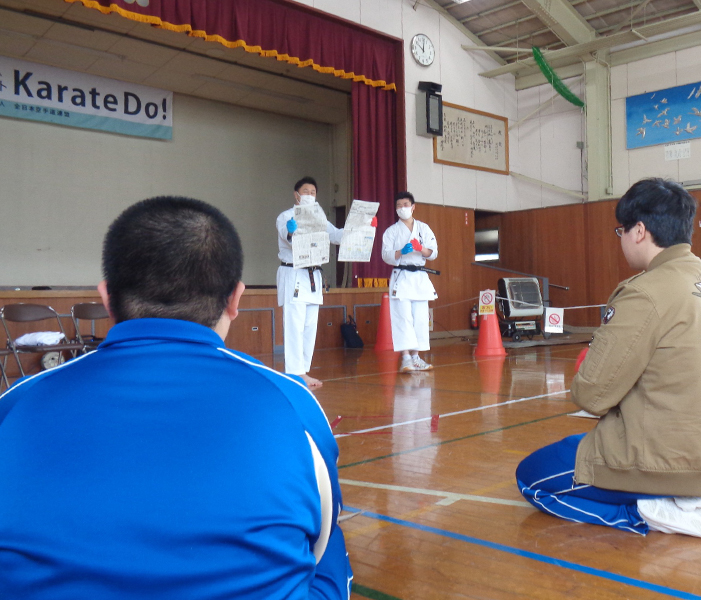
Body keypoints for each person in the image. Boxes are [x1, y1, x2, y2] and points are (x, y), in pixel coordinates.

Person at [0, 197, 352, 599]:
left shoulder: (16, 404)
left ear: (106, 297)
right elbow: (319, 536)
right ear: (235, 299)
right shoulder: (293, 401)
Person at [516, 178, 701, 540]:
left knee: (531, 478)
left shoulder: (645, 292)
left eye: (621, 230)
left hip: (665, 461)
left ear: (639, 231)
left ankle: (644, 510)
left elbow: (592, 396)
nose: (621, 239)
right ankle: (678, 499)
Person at [276, 177, 343, 388]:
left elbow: (337, 236)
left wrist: (363, 229)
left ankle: (304, 370)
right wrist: (291, 230)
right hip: (294, 272)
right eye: (306, 191)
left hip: (313, 276)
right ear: (296, 195)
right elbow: (287, 238)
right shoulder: (285, 216)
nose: (310, 195)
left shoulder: (320, 217)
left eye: (313, 192)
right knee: (294, 325)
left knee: (309, 326)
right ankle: (295, 372)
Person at [381, 191, 438, 372]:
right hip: (402, 276)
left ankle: (416, 356)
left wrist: (421, 249)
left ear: (413, 207)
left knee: (420, 319)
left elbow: (433, 252)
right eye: (399, 206)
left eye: (406, 205)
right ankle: (405, 358)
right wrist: (401, 252)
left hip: (420, 277)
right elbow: (386, 255)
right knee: (402, 317)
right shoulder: (391, 231)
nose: (402, 208)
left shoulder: (424, 228)